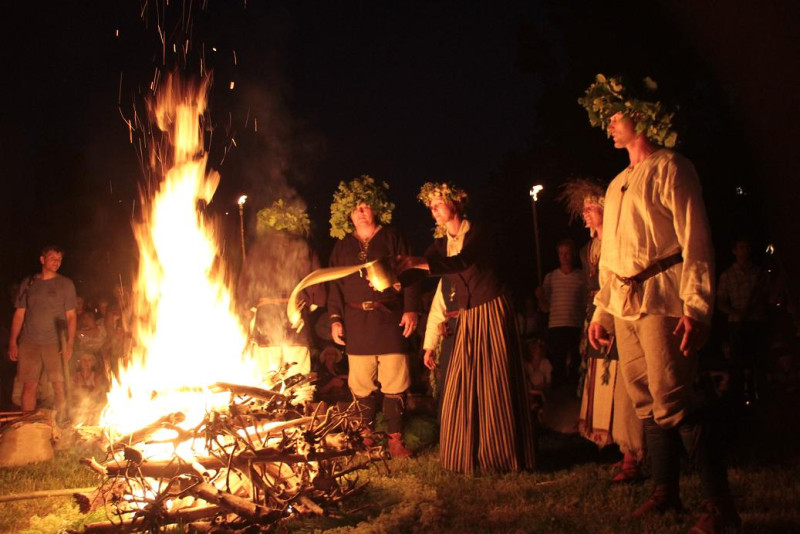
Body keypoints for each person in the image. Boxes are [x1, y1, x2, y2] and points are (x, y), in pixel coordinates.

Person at [581, 74, 740, 532]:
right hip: (626, 305)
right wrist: (602, 310)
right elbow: (610, 257)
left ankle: (719, 505)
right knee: (645, 400)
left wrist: (697, 305)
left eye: (616, 116)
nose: (609, 125)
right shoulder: (614, 185)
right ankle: (664, 493)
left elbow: (697, 240)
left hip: (665, 298)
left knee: (674, 397)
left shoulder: (673, 167)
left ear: (643, 117)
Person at [397, 181, 536, 475]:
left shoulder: (478, 233)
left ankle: (499, 454)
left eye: (438, 204)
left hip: (491, 311)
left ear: (455, 204)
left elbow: (459, 263)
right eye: (430, 206)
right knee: (462, 382)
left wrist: (416, 263)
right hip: (466, 318)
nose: (433, 210)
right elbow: (422, 275)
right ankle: (468, 453)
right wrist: (393, 281)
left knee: (494, 382)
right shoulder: (440, 245)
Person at [327, 175, 422, 458]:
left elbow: (413, 274)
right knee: (360, 383)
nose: (360, 211)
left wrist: (411, 307)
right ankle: (364, 436)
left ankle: (395, 439)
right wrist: (335, 318)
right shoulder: (342, 247)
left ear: (376, 209)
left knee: (395, 380)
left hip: (389, 319)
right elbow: (334, 284)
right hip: (357, 322)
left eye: (365, 206)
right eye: (355, 208)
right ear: (348, 214)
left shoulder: (393, 238)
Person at [559, 178, 645, 483]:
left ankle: (632, 453)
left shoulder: (614, 241)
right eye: (583, 210)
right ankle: (615, 448)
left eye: (591, 209)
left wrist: (605, 316)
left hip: (615, 313)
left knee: (622, 382)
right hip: (596, 314)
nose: (585, 214)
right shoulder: (589, 248)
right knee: (601, 380)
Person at [237, 199, 326, 380]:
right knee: (298, 377)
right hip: (295, 319)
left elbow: (245, 288)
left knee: (267, 377)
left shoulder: (258, 249)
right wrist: (311, 304)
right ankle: (299, 406)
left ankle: (266, 406)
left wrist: (249, 308)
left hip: (266, 320)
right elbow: (317, 282)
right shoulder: (303, 247)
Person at [7, 245, 77, 421]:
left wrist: (69, 344)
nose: (57, 262)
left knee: (59, 385)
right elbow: (19, 314)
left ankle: (61, 424)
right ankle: (28, 426)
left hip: (54, 342)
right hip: (29, 342)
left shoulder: (65, 284)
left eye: (60, 259)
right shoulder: (29, 283)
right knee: (29, 386)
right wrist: (13, 342)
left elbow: (71, 317)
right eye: (53, 258)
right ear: (42, 259)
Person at [716, 237, 769, 405]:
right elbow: (720, 302)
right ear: (735, 251)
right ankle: (738, 399)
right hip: (737, 324)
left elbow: (768, 295)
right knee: (738, 362)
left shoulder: (758, 273)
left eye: (746, 247)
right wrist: (736, 312)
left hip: (757, 322)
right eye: (741, 247)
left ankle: (762, 397)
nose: (744, 250)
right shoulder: (728, 275)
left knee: (759, 361)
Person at [536, 238, 586, 388]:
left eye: (567, 253)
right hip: (556, 325)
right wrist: (540, 297)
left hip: (575, 324)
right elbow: (545, 307)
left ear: (573, 255)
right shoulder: (550, 278)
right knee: (558, 361)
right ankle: (559, 394)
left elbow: (584, 303)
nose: (564, 257)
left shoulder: (581, 277)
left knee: (575, 360)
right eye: (561, 253)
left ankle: (573, 390)